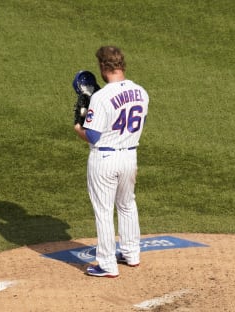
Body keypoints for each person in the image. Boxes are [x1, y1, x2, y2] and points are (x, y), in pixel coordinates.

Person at [74, 46, 149, 278]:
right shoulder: (141, 92)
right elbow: (139, 122)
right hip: (130, 156)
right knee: (127, 204)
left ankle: (107, 264)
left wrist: (79, 126)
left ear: (103, 67)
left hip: (105, 158)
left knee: (104, 211)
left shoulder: (101, 97)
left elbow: (93, 135)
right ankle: (131, 253)